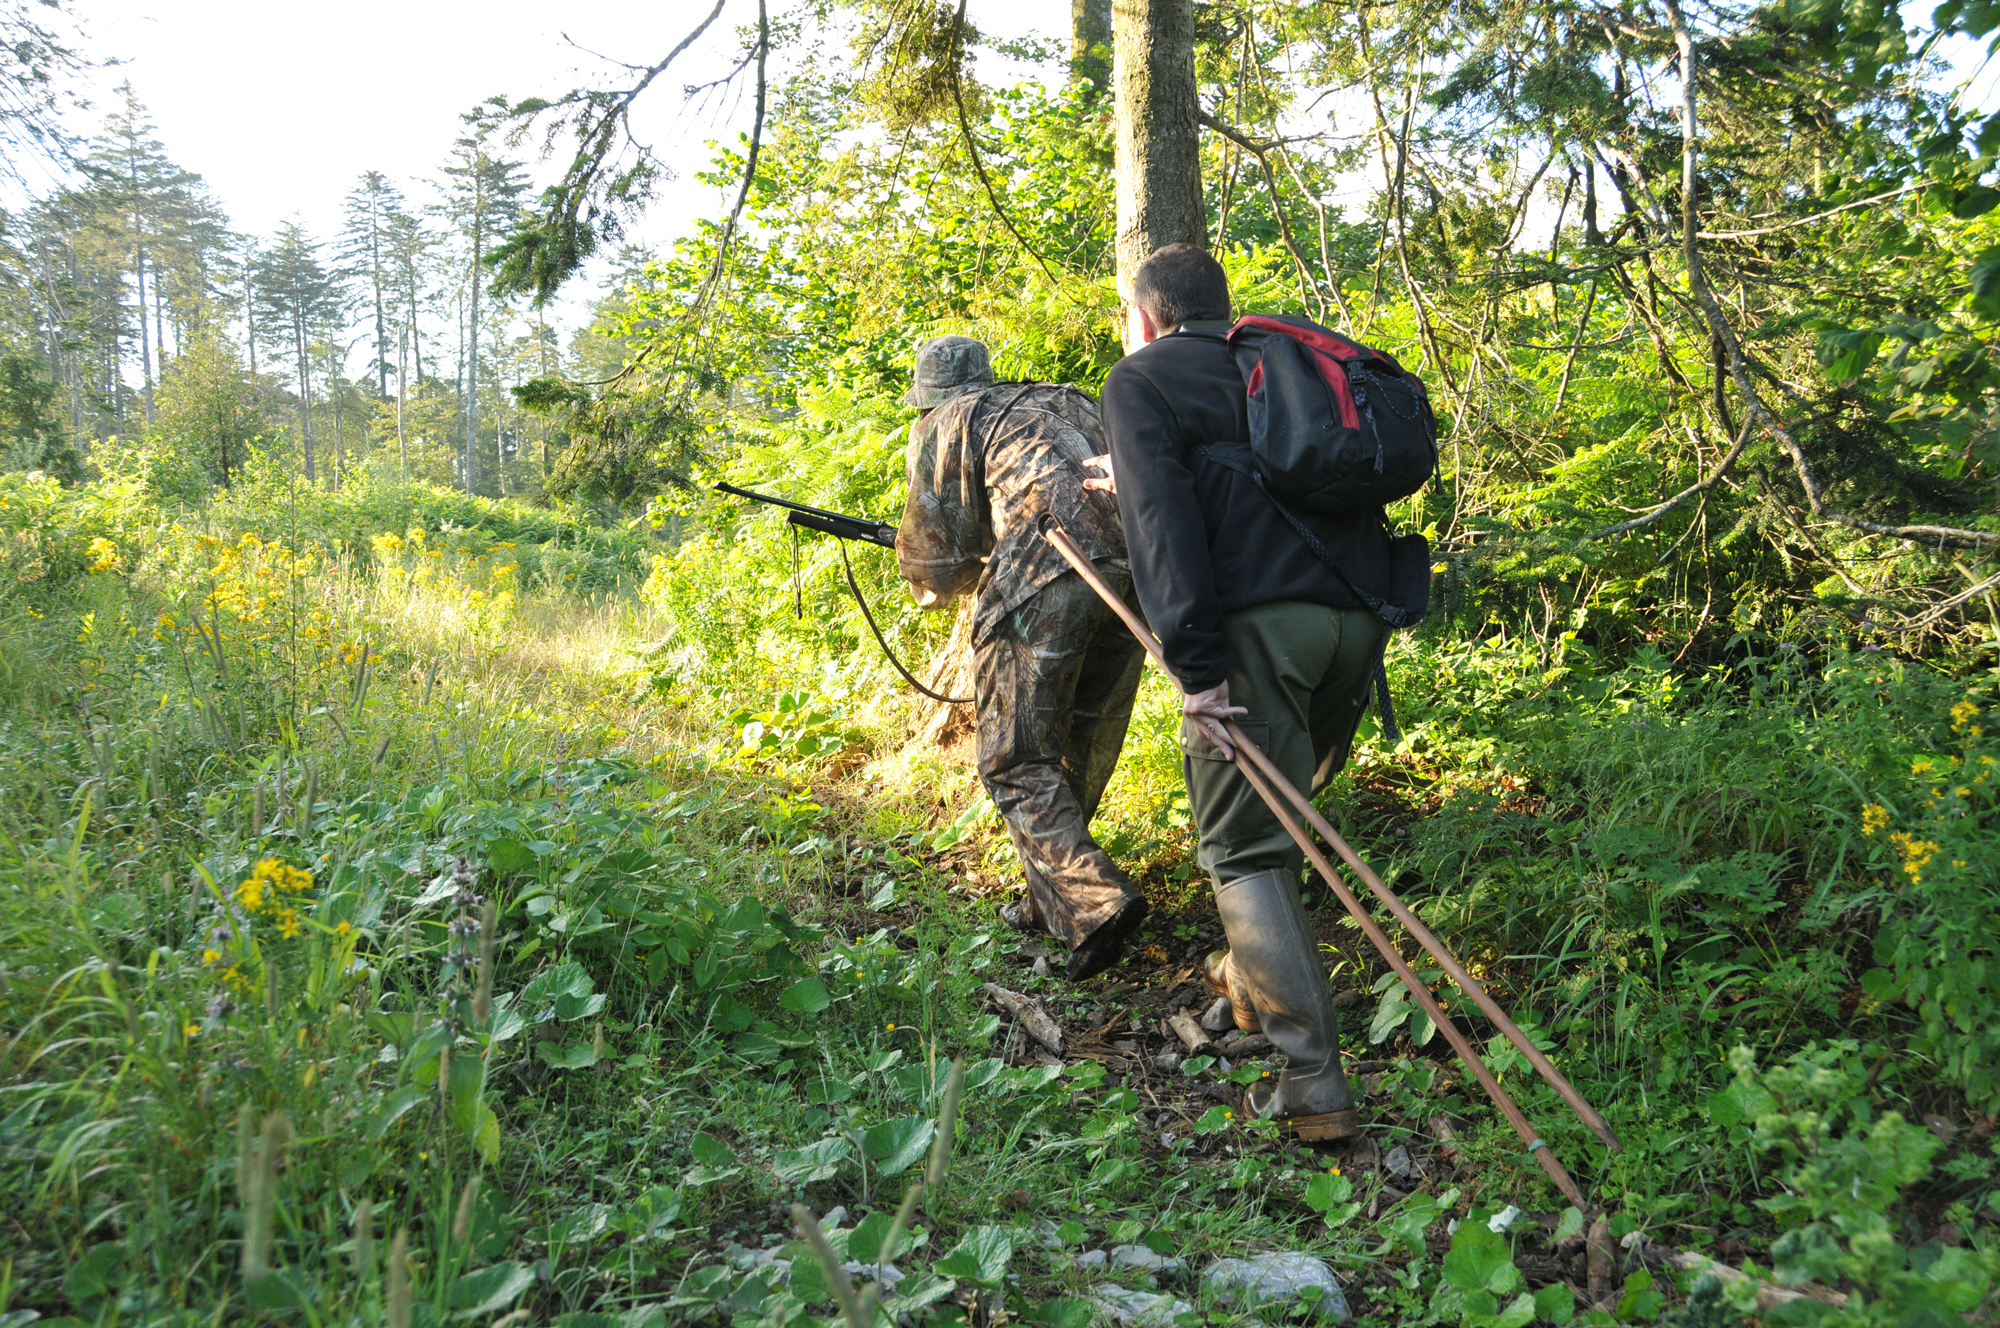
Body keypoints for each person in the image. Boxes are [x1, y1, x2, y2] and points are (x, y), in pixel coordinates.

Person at [1097, 245, 1395, 1141]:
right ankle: (1252, 991)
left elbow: (1163, 528)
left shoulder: (1141, 378)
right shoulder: (1281, 360)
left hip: (1259, 637)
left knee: (1246, 851)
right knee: (1282, 817)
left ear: (1144, 316)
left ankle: (1312, 1084)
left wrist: (1195, 670)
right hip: (1354, 625)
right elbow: (1250, 482)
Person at [896, 335, 1150, 980]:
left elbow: (938, 557)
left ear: (930, 395)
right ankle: (1053, 901)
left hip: (1050, 571)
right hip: (1139, 579)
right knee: (1082, 741)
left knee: (1014, 757)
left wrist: (931, 578)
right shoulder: (1064, 401)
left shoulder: (946, 421)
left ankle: (1093, 905)